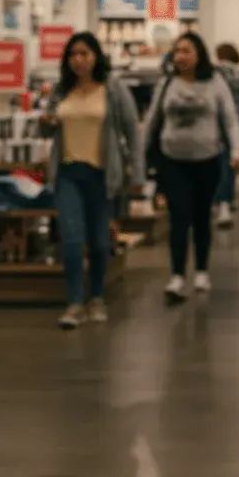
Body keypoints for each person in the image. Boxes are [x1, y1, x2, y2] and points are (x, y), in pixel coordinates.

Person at [45, 33, 143, 330]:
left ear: (97, 56)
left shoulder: (113, 90)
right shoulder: (62, 90)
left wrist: (138, 175)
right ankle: (75, 302)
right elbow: (50, 126)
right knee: (72, 240)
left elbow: (132, 133)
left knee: (100, 243)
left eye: (85, 53)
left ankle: (97, 297)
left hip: (102, 175)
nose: (79, 60)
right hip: (67, 173)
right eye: (73, 54)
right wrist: (47, 123)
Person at [142, 32, 239, 302]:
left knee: (200, 217)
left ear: (199, 54)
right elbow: (153, 120)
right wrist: (140, 157)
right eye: (176, 51)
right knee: (179, 216)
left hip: (206, 159)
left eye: (186, 50)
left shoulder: (215, 82)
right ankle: (176, 276)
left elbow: (231, 119)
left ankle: (201, 270)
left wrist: (236, 150)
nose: (180, 56)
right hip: (172, 160)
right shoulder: (167, 83)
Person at [213, 43, 239, 229]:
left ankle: (221, 202)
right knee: (229, 165)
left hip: (218, 127)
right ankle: (225, 201)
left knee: (220, 165)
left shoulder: (216, 73)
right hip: (237, 124)